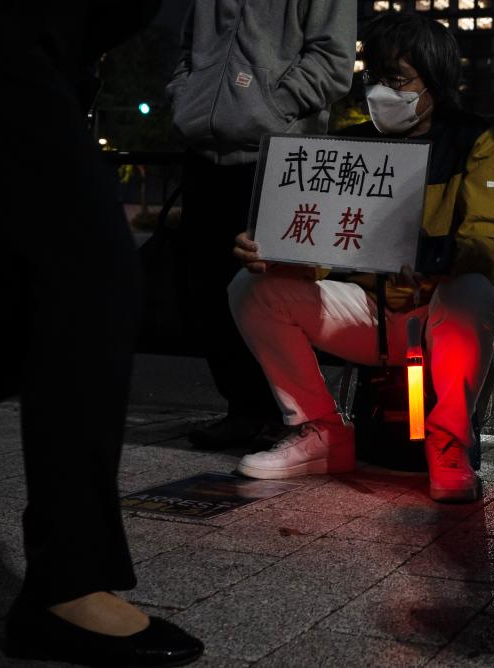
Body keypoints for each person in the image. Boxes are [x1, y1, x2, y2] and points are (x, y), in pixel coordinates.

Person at [0, 2, 203, 665]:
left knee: (15, 319)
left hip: (32, 46)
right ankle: (67, 583)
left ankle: (67, 581)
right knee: (92, 276)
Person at [228, 12, 494, 502]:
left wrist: (434, 255)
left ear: (434, 82)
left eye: (397, 79)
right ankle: (320, 430)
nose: (381, 91)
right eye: (374, 76)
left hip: (439, 313)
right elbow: (319, 246)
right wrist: (272, 253)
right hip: (371, 314)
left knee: (473, 292)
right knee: (252, 289)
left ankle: (450, 441)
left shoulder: (474, 139)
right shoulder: (355, 142)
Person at [166, 0, 356, 451]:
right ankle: (244, 411)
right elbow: (186, 49)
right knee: (207, 289)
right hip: (204, 152)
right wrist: (185, 98)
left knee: (271, 285)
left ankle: (288, 414)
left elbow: (333, 61)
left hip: (279, 155)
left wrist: (269, 106)